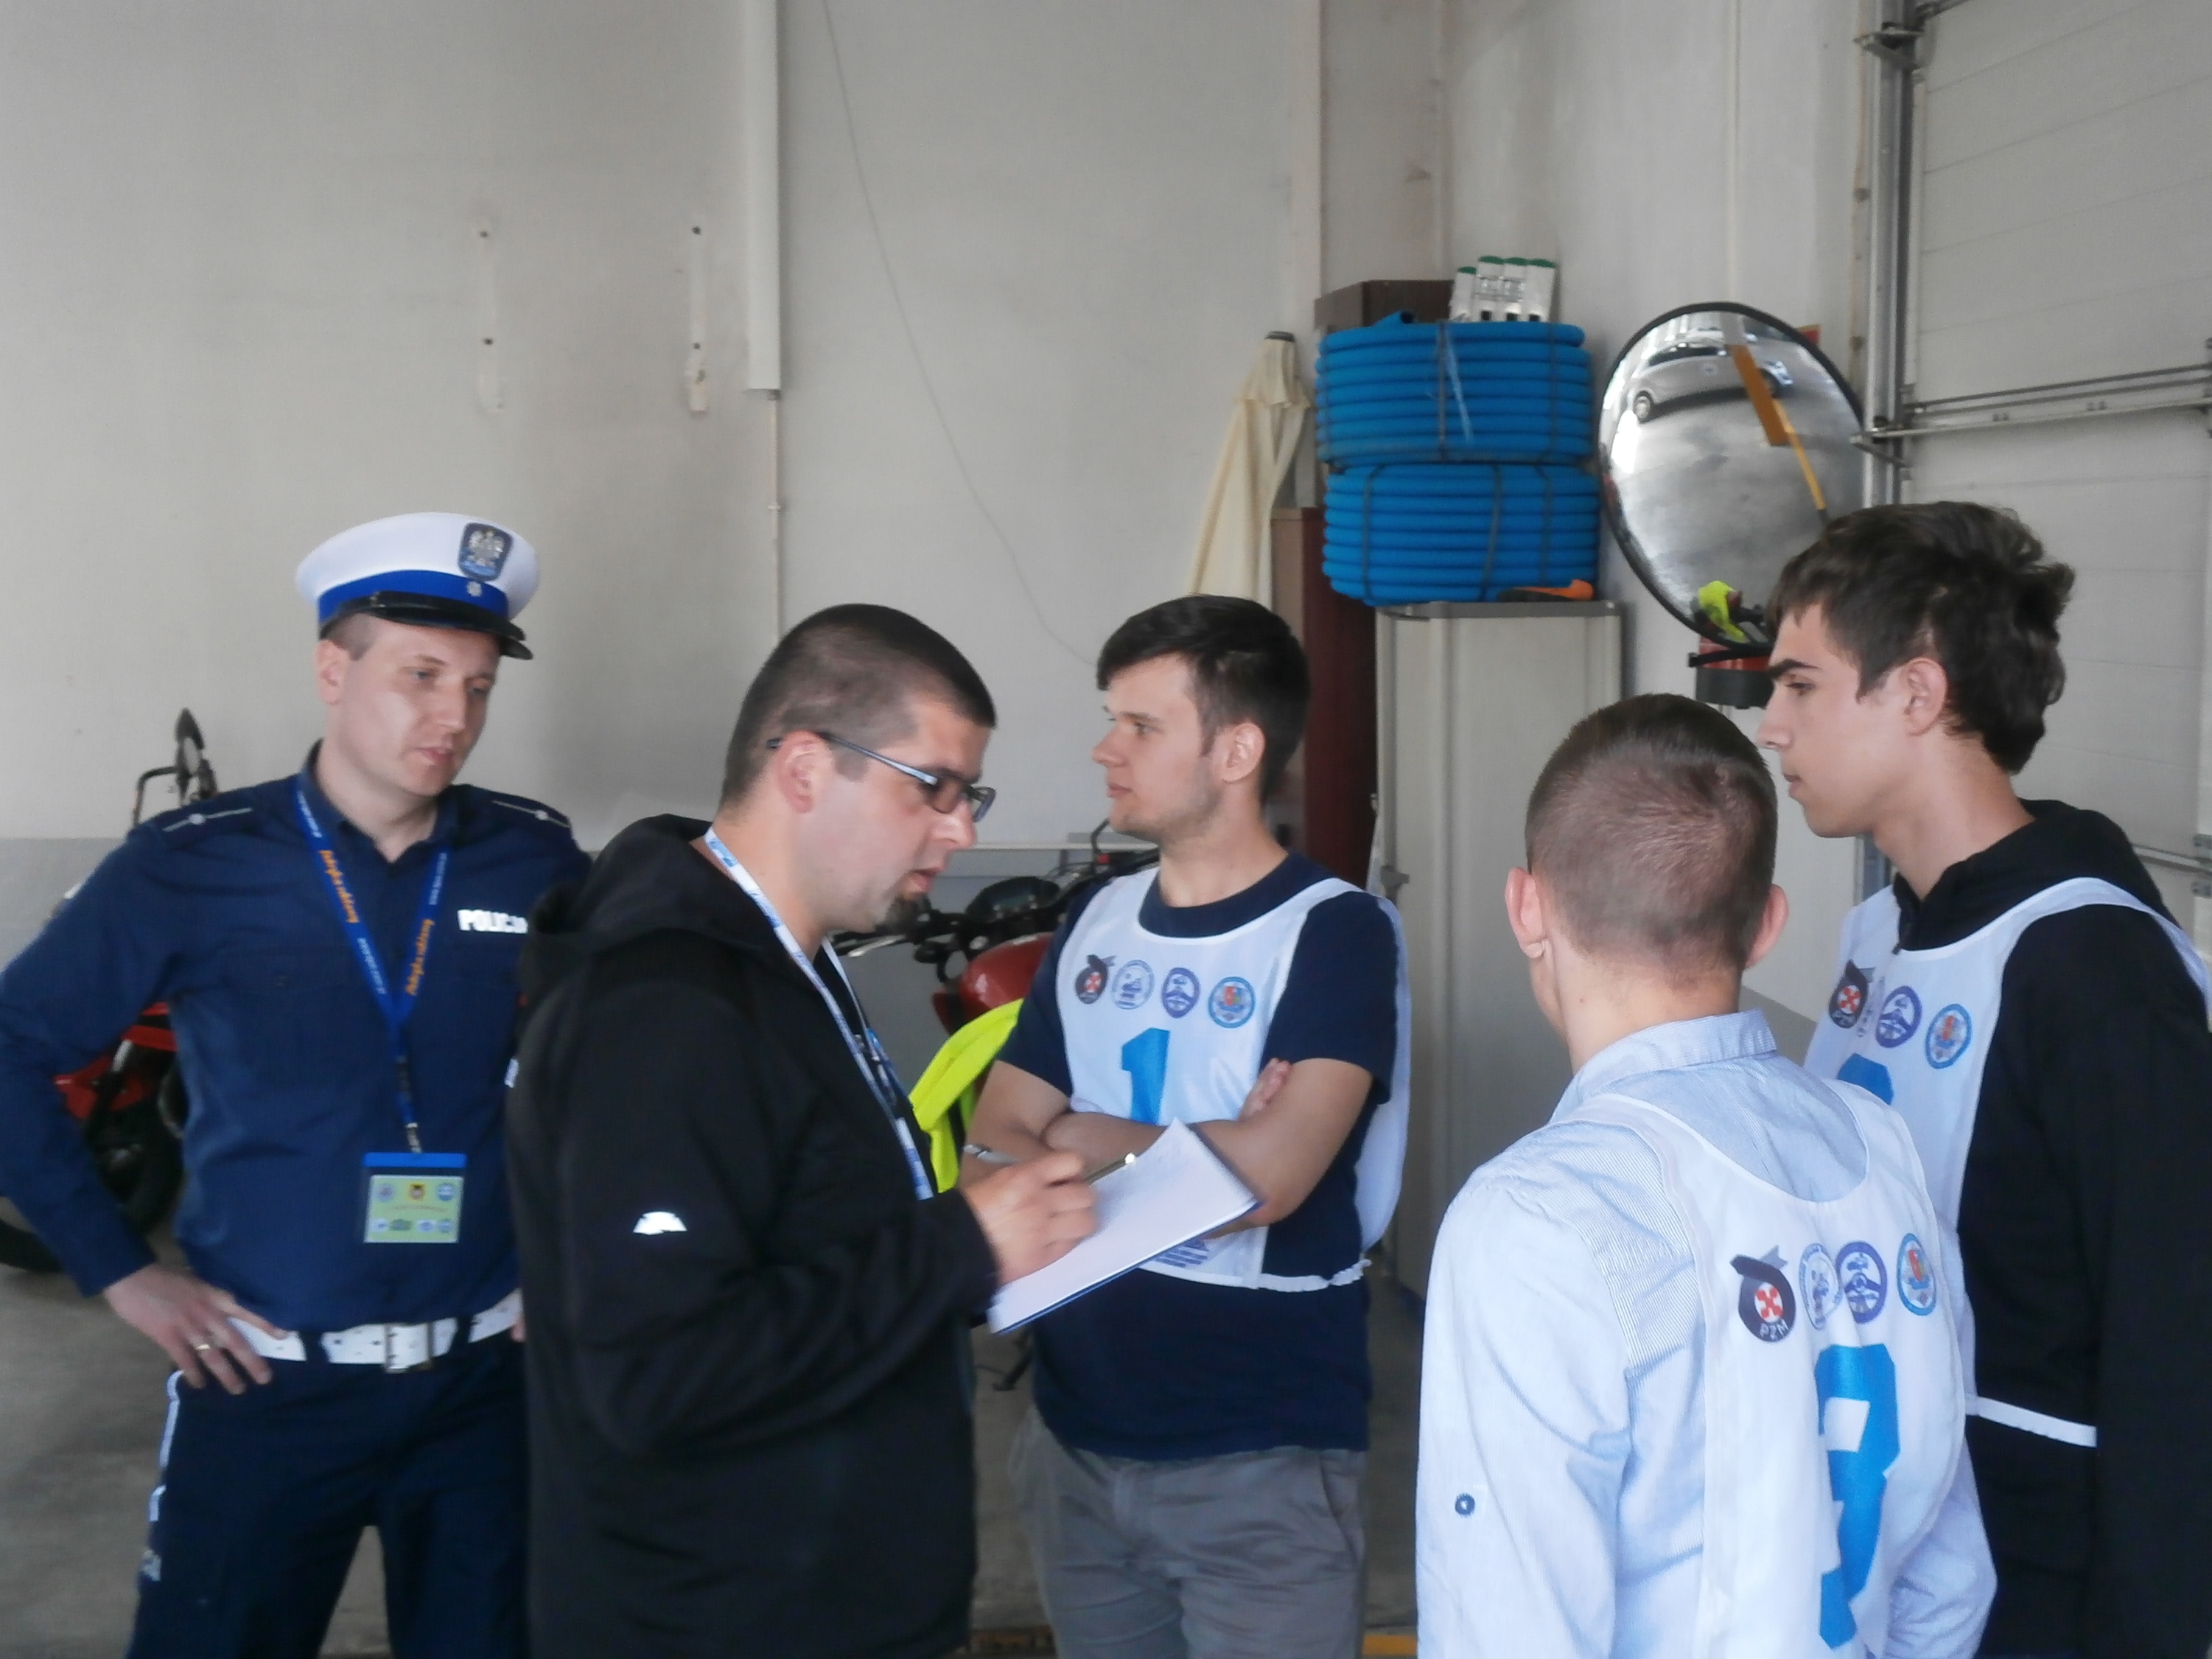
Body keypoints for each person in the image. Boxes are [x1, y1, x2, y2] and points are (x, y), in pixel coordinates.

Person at [0, 513, 587, 1657]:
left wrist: (583, 1259)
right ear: (331, 670)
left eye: (477, 686)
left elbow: (609, 1069)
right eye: (421, 675)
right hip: (266, 1384)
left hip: (486, 1388)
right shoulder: (191, 864)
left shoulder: (534, 860)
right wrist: (118, 1270)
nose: (454, 717)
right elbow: (10, 1045)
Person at [505, 604, 1096, 1659]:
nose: (960, 832)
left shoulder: (786, 961)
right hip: (717, 1621)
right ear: (806, 769)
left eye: (969, 796)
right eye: (933, 788)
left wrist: (982, 1248)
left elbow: (811, 1236)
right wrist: (960, 1248)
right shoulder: (663, 1011)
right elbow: (657, 1375)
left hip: (824, 1602)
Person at [1418, 693, 1993, 1658]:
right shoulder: (1880, 1150)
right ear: (1766, 925)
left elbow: (1506, 1628)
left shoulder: (1539, 1216)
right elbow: (1949, 1578)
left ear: (1526, 907)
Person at [1759, 502, 2212, 1659]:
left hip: (2043, 1586)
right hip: (1890, 1553)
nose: (1771, 726)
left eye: (1800, 685)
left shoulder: (2095, 973)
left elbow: (2176, 1352)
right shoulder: (1878, 933)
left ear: (1915, 693)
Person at [967, 595, 1408, 1659]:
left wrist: (1082, 1136)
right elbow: (993, 1135)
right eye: (1111, 720)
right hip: (1073, 1440)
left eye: (1141, 725)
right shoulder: (1096, 917)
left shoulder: (1335, 932)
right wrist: (1198, 1148)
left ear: (1237, 751)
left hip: (1258, 1457)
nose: (1105, 749)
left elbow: (1271, 1181)